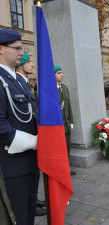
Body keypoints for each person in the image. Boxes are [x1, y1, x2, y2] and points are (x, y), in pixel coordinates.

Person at [0, 29, 39, 225]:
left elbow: (31, 116)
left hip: (31, 161)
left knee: (30, 212)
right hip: (12, 165)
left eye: (22, 48)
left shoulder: (19, 81)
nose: (22, 53)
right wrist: (34, 142)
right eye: (16, 48)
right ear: (0, 49)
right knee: (19, 217)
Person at [15, 52, 47, 216]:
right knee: (29, 175)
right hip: (24, 139)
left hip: (32, 137)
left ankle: (34, 200)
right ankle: (31, 204)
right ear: (21, 65)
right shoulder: (18, 82)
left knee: (34, 174)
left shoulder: (25, 83)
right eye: (29, 62)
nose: (33, 65)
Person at [55, 65, 76, 176]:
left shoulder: (65, 88)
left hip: (66, 124)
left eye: (62, 72)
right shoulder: (50, 89)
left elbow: (69, 106)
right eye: (59, 73)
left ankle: (66, 169)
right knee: (58, 149)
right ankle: (59, 170)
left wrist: (71, 121)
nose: (62, 75)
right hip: (57, 125)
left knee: (67, 147)